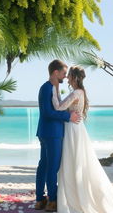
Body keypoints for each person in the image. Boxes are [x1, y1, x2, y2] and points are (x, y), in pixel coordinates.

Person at [52, 65, 113, 213]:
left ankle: (75, 199)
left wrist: (55, 90)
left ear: (74, 77)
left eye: (69, 75)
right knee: (76, 162)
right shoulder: (81, 92)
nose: (67, 78)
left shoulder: (76, 93)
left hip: (73, 129)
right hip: (77, 129)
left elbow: (58, 107)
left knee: (72, 162)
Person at [35, 60, 80, 212]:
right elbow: (47, 112)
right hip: (52, 133)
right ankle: (52, 201)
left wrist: (66, 113)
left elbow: (56, 108)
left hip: (46, 131)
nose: (65, 76)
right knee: (51, 168)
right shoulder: (47, 88)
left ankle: (40, 199)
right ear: (55, 72)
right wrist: (68, 117)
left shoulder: (53, 88)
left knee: (44, 166)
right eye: (63, 73)